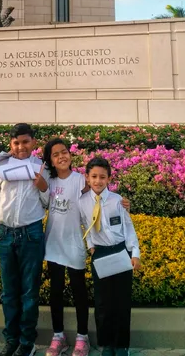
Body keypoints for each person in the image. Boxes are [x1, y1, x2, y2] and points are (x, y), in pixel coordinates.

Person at [43, 139, 131, 356]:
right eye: (55, 154)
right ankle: (58, 336)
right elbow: (42, 201)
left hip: (74, 245)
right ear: (50, 160)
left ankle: (83, 337)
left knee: (78, 291)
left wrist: (121, 203)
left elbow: (98, 196)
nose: (61, 156)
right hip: (53, 243)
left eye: (64, 152)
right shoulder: (48, 181)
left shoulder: (80, 181)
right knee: (55, 292)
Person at [0, 123, 50, 356]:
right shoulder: (0, 167)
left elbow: (48, 202)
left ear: (33, 142)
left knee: (29, 291)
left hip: (31, 233)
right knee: (9, 291)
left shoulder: (41, 167)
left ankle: (27, 342)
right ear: (10, 144)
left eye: (25, 142)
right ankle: (11, 339)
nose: (21, 146)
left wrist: (43, 187)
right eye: (16, 143)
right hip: (5, 233)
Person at [79, 157, 141, 356]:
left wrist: (135, 253)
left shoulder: (117, 200)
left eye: (102, 177)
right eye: (94, 176)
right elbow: (83, 224)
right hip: (100, 253)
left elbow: (128, 228)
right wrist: (90, 247)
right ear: (87, 178)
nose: (98, 181)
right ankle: (106, 344)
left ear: (109, 179)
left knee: (121, 302)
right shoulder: (82, 203)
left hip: (121, 251)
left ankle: (122, 345)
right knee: (103, 303)